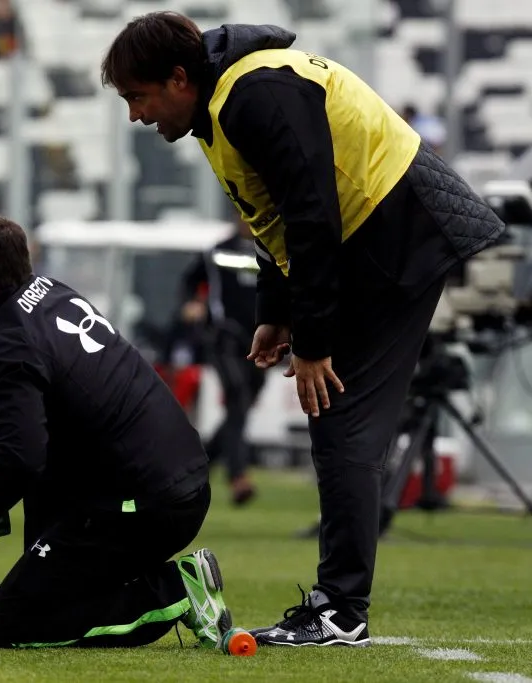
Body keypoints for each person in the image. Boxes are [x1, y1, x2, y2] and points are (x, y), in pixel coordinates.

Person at [101, 12, 505, 647]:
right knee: (339, 425)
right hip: (384, 236)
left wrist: (313, 343)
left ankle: (342, 610)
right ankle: (341, 603)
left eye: (137, 97)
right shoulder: (222, 100)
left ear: (178, 78)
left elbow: (312, 215)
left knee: (340, 419)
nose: (136, 116)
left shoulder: (253, 93)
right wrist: (277, 313)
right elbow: (272, 216)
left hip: (395, 237)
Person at [0, 214, 250, 651]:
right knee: (39, 548)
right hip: (172, 479)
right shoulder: (49, 293)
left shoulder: (5, 342)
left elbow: (23, 459)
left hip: (147, 502)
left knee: (7, 627)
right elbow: (67, 403)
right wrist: (2, 432)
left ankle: (177, 590)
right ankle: (51, 586)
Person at [178, 219, 266, 506]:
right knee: (237, 396)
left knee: (238, 410)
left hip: (261, 341)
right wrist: (192, 302)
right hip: (225, 339)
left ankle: (196, 464)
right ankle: (238, 477)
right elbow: (190, 280)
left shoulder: (271, 248)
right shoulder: (218, 251)